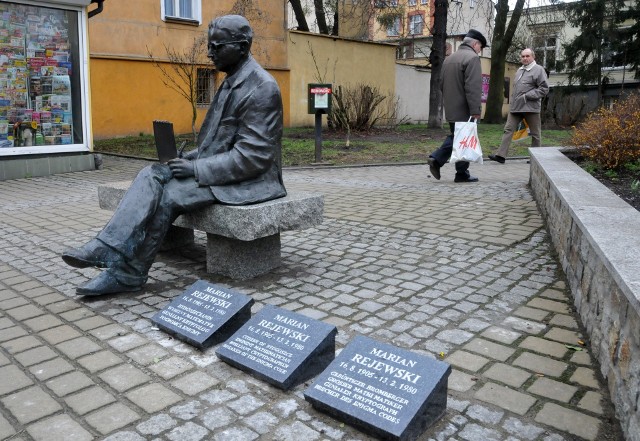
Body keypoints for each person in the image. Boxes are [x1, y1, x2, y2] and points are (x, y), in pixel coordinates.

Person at [62, 15, 287, 296]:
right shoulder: (230, 81)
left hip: (253, 180)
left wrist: (195, 170)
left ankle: (128, 274)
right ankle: (108, 247)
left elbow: (253, 158)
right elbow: (218, 144)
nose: (209, 53)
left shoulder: (262, 88)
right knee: (153, 173)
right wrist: (191, 158)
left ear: (241, 47)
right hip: (223, 169)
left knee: (170, 195)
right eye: (210, 46)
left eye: (217, 47)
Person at [427, 29, 487, 183]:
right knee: (461, 138)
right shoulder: (472, 58)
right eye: (481, 47)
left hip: (452, 107)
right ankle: (437, 159)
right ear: (475, 44)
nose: (480, 50)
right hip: (465, 109)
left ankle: (461, 173)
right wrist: (475, 110)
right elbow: (473, 87)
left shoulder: (449, 58)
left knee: (459, 138)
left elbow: (441, 84)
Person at [488, 48, 549, 164]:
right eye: (523, 56)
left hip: (531, 108)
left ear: (533, 57)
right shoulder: (519, 71)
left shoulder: (538, 70)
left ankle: (535, 159)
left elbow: (544, 89)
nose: (525, 58)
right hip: (516, 108)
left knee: (535, 134)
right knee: (508, 129)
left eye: (527, 56)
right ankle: (501, 156)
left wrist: (527, 96)